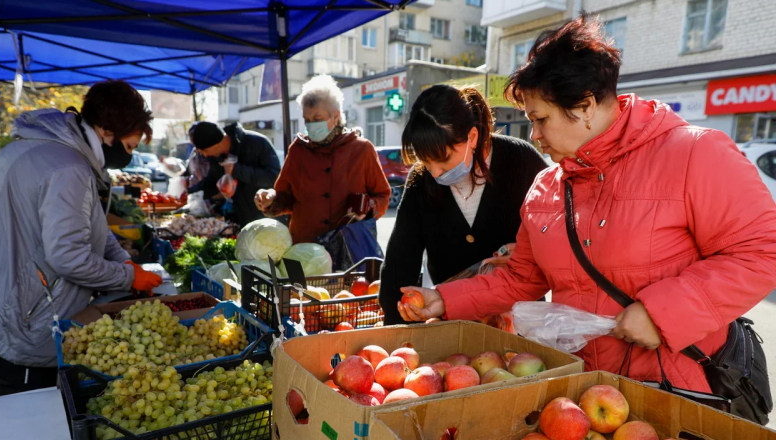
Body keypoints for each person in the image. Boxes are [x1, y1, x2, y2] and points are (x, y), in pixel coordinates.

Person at [397, 15, 776, 393]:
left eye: (541, 119)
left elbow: (762, 250)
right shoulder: (546, 186)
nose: (535, 136)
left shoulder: (693, 153)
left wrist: (663, 313)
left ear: (585, 105)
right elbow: (521, 278)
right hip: (580, 392)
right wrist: (443, 298)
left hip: (676, 391)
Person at [0, 80, 163, 399]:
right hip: (21, 333)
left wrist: (123, 261)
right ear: (106, 131)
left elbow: (92, 229)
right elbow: (68, 257)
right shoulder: (69, 169)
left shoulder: (30, 148)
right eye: (129, 147)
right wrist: (129, 275)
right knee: (26, 435)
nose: (128, 157)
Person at [379, 85, 547, 325]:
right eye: (426, 162)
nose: (435, 172)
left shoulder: (521, 162)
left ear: (472, 137)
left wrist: (525, 253)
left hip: (523, 324)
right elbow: (400, 262)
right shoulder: (420, 183)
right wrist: (397, 329)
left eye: (444, 158)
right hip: (452, 323)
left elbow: (557, 243)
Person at [254, 75, 392, 244]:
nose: (311, 124)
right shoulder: (298, 150)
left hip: (349, 247)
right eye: (307, 120)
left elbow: (382, 195)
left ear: (335, 117)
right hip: (305, 248)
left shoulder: (362, 149)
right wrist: (269, 199)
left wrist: (369, 207)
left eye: (317, 119)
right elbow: (285, 198)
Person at [187, 121, 280, 226]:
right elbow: (213, 181)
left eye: (204, 150)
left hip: (268, 217)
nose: (204, 155)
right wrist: (190, 192)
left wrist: (237, 170)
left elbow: (274, 177)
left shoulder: (257, 143)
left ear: (216, 144)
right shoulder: (216, 156)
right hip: (243, 218)